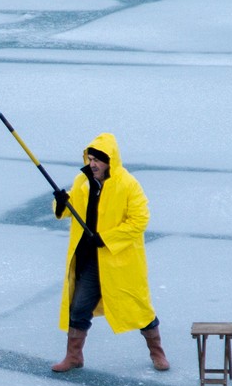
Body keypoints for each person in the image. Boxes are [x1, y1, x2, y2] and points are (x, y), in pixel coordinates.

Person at [51, 132, 169, 373]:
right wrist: (62, 202)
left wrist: (106, 238)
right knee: (79, 308)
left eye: (98, 159)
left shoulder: (128, 184)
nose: (92, 164)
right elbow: (67, 212)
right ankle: (74, 357)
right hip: (89, 259)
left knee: (138, 307)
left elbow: (139, 221)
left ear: (110, 161)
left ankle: (157, 353)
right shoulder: (82, 182)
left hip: (119, 260)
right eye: (90, 158)